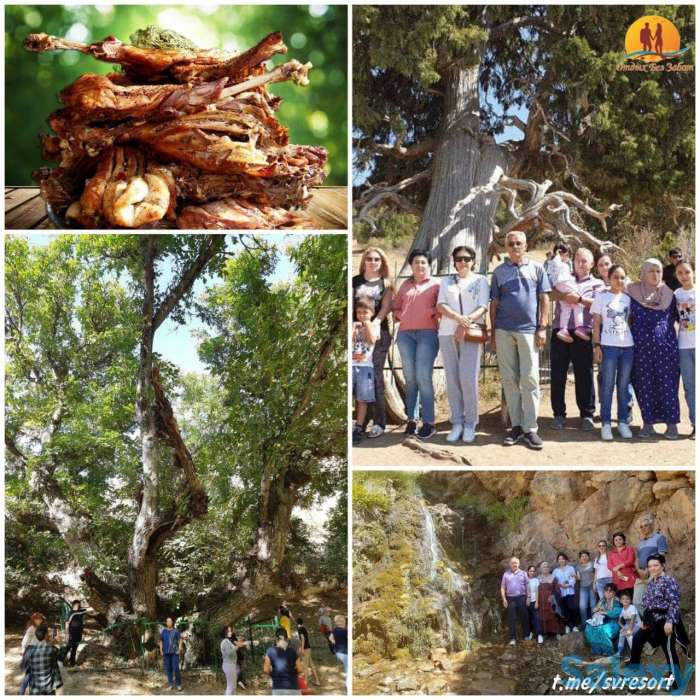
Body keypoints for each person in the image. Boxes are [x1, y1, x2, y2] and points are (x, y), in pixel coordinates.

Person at [490, 230, 551, 450]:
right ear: (506, 247)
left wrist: (542, 327)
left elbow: (545, 299)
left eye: (519, 243)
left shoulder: (537, 269)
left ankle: (530, 428)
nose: (515, 247)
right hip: (504, 331)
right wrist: (492, 332)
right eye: (511, 243)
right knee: (509, 379)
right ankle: (515, 427)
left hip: (529, 331)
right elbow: (494, 304)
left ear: (525, 246)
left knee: (530, 379)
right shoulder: (498, 272)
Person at [437, 245, 490, 443]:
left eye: (467, 259)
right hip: (447, 332)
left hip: (471, 333)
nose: (463, 262)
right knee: (452, 379)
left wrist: (465, 323)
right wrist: (458, 319)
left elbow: (483, 306)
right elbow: (440, 304)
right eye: (459, 259)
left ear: (473, 261)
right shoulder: (446, 281)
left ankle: (470, 423)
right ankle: (457, 421)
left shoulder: (480, 280)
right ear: (454, 261)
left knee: (468, 378)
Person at [550, 247, 605, 431]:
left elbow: (599, 304)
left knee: (585, 374)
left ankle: (587, 414)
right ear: (573, 262)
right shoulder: (564, 277)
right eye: (578, 260)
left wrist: (579, 299)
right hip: (560, 331)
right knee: (558, 374)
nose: (581, 264)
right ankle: (558, 414)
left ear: (591, 264)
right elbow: (549, 294)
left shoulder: (597, 284)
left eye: (585, 261)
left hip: (584, 333)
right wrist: (566, 296)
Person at [628, 259, 681, 439]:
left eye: (658, 271)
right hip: (640, 350)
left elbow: (682, 318)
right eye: (651, 271)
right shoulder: (632, 293)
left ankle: (672, 424)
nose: (655, 274)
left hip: (666, 350)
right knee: (644, 385)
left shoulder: (669, 294)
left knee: (668, 385)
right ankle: (648, 423)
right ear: (643, 272)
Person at [393, 249, 441, 440]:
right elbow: (396, 307)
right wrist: (400, 315)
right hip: (405, 335)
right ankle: (411, 420)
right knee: (410, 378)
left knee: (423, 377)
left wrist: (431, 312)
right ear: (411, 265)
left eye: (423, 262)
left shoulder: (437, 284)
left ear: (429, 265)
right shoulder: (405, 284)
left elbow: (443, 307)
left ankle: (429, 422)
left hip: (427, 334)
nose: (419, 266)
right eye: (416, 262)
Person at [629, 554, 690, 691]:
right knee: (638, 639)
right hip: (651, 620)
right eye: (650, 566)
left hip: (665, 620)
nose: (652, 568)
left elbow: (674, 602)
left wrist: (670, 622)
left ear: (663, 565)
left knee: (668, 650)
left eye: (656, 565)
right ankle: (634, 670)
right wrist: (645, 620)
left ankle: (675, 681)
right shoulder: (651, 582)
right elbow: (648, 605)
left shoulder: (669, 580)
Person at [353, 247, 394, 438]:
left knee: (375, 376)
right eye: (369, 258)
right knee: (358, 376)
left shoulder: (386, 283)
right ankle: (361, 421)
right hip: (357, 336)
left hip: (379, 334)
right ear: (364, 261)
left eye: (377, 259)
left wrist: (376, 323)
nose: (373, 262)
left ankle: (379, 422)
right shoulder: (354, 281)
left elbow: (386, 307)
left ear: (382, 262)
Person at [591, 264, 635, 440]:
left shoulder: (628, 299)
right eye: (616, 277)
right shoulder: (601, 298)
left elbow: (630, 322)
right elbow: (595, 324)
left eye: (622, 277)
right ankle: (606, 423)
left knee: (624, 386)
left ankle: (623, 422)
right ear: (608, 278)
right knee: (607, 386)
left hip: (628, 347)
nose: (619, 280)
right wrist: (596, 345)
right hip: (608, 347)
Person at [546, 243, 589, 343]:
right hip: (563, 283)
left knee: (566, 308)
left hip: (560, 286)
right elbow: (555, 264)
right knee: (578, 303)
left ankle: (563, 329)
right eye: (563, 255)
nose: (565, 257)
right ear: (558, 254)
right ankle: (580, 326)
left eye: (567, 256)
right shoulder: (555, 262)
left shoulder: (562, 264)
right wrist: (556, 255)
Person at [352, 297, 379, 444]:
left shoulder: (373, 326)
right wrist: (353, 328)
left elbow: (372, 340)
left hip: (365, 367)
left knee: (362, 399)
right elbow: (350, 341)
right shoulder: (354, 325)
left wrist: (367, 324)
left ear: (372, 313)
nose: (361, 315)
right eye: (359, 312)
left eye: (365, 312)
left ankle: (359, 427)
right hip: (352, 364)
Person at [674, 260, 695, 438]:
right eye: (680, 273)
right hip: (684, 346)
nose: (684, 276)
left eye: (687, 272)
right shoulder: (676, 294)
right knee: (689, 387)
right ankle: (696, 424)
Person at [634, 514, 669, 611]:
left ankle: (658, 622)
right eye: (641, 527)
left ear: (651, 526)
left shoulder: (659, 537)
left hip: (655, 574)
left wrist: (649, 570)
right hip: (641, 575)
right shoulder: (640, 543)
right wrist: (639, 570)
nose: (643, 528)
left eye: (646, 525)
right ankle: (647, 623)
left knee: (656, 601)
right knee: (637, 602)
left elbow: (661, 556)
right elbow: (637, 559)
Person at [584, 583, 622, 655]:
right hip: (601, 622)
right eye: (606, 590)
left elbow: (616, 613)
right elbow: (595, 612)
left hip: (613, 623)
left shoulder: (616, 602)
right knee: (589, 628)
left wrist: (604, 612)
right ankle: (597, 651)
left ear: (614, 593)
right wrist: (595, 610)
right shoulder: (602, 601)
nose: (607, 592)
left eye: (610, 591)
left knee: (601, 630)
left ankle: (607, 651)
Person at [500, 556, 530, 644]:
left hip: (521, 597)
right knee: (511, 618)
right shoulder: (506, 574)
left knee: (524, 616)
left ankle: (526, 635)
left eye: (516, 563)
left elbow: (528, 586)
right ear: (510, 564)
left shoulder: (524, 573)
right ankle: (512, 638)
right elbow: (502, 587)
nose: (514, 564)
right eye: (513, 563)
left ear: (519, 564)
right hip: (510, 598)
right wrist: (504, 599)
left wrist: (528, 597)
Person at [26, 623, 63, 696]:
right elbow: (62, 658)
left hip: (34, 688)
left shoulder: (29, 650)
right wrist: (60, 642)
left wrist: (50, 643)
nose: (49, 634)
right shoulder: (52, 649)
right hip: (48, 689)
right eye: (48, 632)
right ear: (46, 635)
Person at [264, 627, 303, 695]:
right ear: (286, 638)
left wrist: (273, 674)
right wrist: (294, 673)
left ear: (276, 638)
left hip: (278, 687)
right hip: (293, 687)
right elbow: (300, 669)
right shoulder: (293, 651)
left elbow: (266, 669)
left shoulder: (270, 651)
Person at [20, 612, 46, 695]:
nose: (39, 620)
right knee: (29, 674)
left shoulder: (42, 628)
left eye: (40, 619)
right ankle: (21, 693)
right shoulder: (32, 628)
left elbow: (43, 641)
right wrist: (23, 649)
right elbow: (25, 641)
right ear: (33, 620)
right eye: (36, 619)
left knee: (34, 674)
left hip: (39, 652)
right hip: (31, 652)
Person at [537, 562, 565, 638]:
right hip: (541, 602)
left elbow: (558, 589)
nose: (545, 568)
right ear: (540, 569)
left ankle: (557, 633)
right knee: (543, 616)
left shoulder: (553, 578)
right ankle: (545, 632)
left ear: (549, 569)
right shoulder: (538, 578)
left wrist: (553, 597)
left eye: (547, 567)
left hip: (551, 601)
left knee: (554, 616)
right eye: (543, 567)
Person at [552, 553, 579, 633]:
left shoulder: (570, 568)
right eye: (560, 559)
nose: (561, 560)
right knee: (564, 610)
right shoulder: (555, 571)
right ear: (558, 561)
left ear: (565, 560)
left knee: (572, 608)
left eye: (563, 559)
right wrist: (560, 585)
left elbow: (574, 579)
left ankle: (574, 625)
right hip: (561, 593)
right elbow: (554, 581)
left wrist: (568, 585)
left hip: (570, 591)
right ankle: (567, 626)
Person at [608, 532, 637, 599]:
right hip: (617, 580)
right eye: (616, 540)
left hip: (629, 579)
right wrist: (617, 571)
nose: (618, 541)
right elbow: (609, 565)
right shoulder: (611, 553)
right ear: (613, 542)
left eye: (620, 539)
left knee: (630, 599)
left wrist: (619, 566)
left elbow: (631, 560)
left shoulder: (629, 549)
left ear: (623, 540)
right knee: (620, 601)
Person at [160, 616, 182, 692]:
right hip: (166, 653)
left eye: (170, 621)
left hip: (174, 652)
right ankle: (170, 684)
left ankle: (178, 684)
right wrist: (161, 650)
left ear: (172, 622)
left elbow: (180, 640)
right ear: (166, 623)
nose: (169, 622)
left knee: (176, 668)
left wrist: (179, 649)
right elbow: (161, 641)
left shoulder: (176, 631)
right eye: (167, 621)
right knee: (168, 669)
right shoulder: (163, 631)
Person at [296, 617, 320, 686]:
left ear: (297, 623)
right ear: (302, 623)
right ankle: (317, 681)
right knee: (312, 665)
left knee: (305, 666)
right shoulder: (304, 628)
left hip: (306, 649)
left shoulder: (300, 629)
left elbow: (303, 639)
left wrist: (302, 648)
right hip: (308, 648)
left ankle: (305, 683)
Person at [221, 625, 245, 695]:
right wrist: (237, 647)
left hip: (231, 665)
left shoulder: (228, 641)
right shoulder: (225, 641)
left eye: (231, 631)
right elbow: (229, 653)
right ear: (225, 632)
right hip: (228, 665)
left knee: (233, 686)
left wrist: (238, 646)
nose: (231, 632)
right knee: (230, 686)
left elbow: (232, 650)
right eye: (229, 631)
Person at [617, 591, 641, 658]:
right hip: (628, 626)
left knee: (628, 635)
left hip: (637, 625)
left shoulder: (632, 607)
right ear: (620, 601)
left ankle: (633, 653)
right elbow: (619, 621)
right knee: (621, 633)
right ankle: (620, 651)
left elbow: (633, 619)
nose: (625, 600)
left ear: (630, 600)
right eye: (623, 599)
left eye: (627, 599)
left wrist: (629, 630)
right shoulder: (622, 610)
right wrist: (623, 628)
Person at [64, 600, 87, 668]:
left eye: (78, 605)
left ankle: (72, 663)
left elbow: (89, 610)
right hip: (72, 634)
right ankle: (60, 659)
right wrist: (67, 633)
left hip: (78, 634)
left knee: (74, 648)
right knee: (68, 647)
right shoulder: (70, 613)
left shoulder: (80, 612)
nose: (78, 606)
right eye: (76, 605)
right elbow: (67, 623)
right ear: (73, 605)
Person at [576, 550, 595, 630]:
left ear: (588, 556)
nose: (584, 557)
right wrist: (575, 577)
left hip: (591, 586)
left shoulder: (593, 564)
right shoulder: (578, 566)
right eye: (582, 556)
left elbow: (596, 574)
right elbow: (579, 578)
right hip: (583, 587)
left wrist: (595, 584)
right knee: (582, 606)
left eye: (586, 556)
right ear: (580, 558)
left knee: (593, 605)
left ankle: (594, 623)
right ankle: (585, 625)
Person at [525, 565, 544, 644]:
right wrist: (527, 599)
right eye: (530, 571)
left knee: (536, 618)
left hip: (534, 601)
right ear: (528, 572)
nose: (532, 572)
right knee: (528, 619)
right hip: (526, 602)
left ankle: (539, 635)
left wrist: (536, 601)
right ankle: (530, 633)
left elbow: (537, 591)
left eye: (533, 571)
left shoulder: (536, 580)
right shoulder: (525, 580)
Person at [329, 615, 348, 688]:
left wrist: (335, 642)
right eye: (344, 621)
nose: (345, 623)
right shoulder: (345, 631)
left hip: (338, 652)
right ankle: (347, 685)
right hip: (345, 652)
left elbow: (330, 638)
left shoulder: (334, 630)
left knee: (343, 666)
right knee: (347, 669)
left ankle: (338, 681)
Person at [593, 540, 614, 604]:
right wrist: (594, 583)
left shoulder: (610, 555)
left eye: (603, 545)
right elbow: (596, 571)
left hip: (609, 579)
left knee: (611, 599)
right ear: (598, 547)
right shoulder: (597, 558)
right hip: (599, 581)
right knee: (602, 600)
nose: (601, 547)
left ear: (606, 547)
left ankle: (612, 613)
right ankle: (605, 613)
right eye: (600, 546)